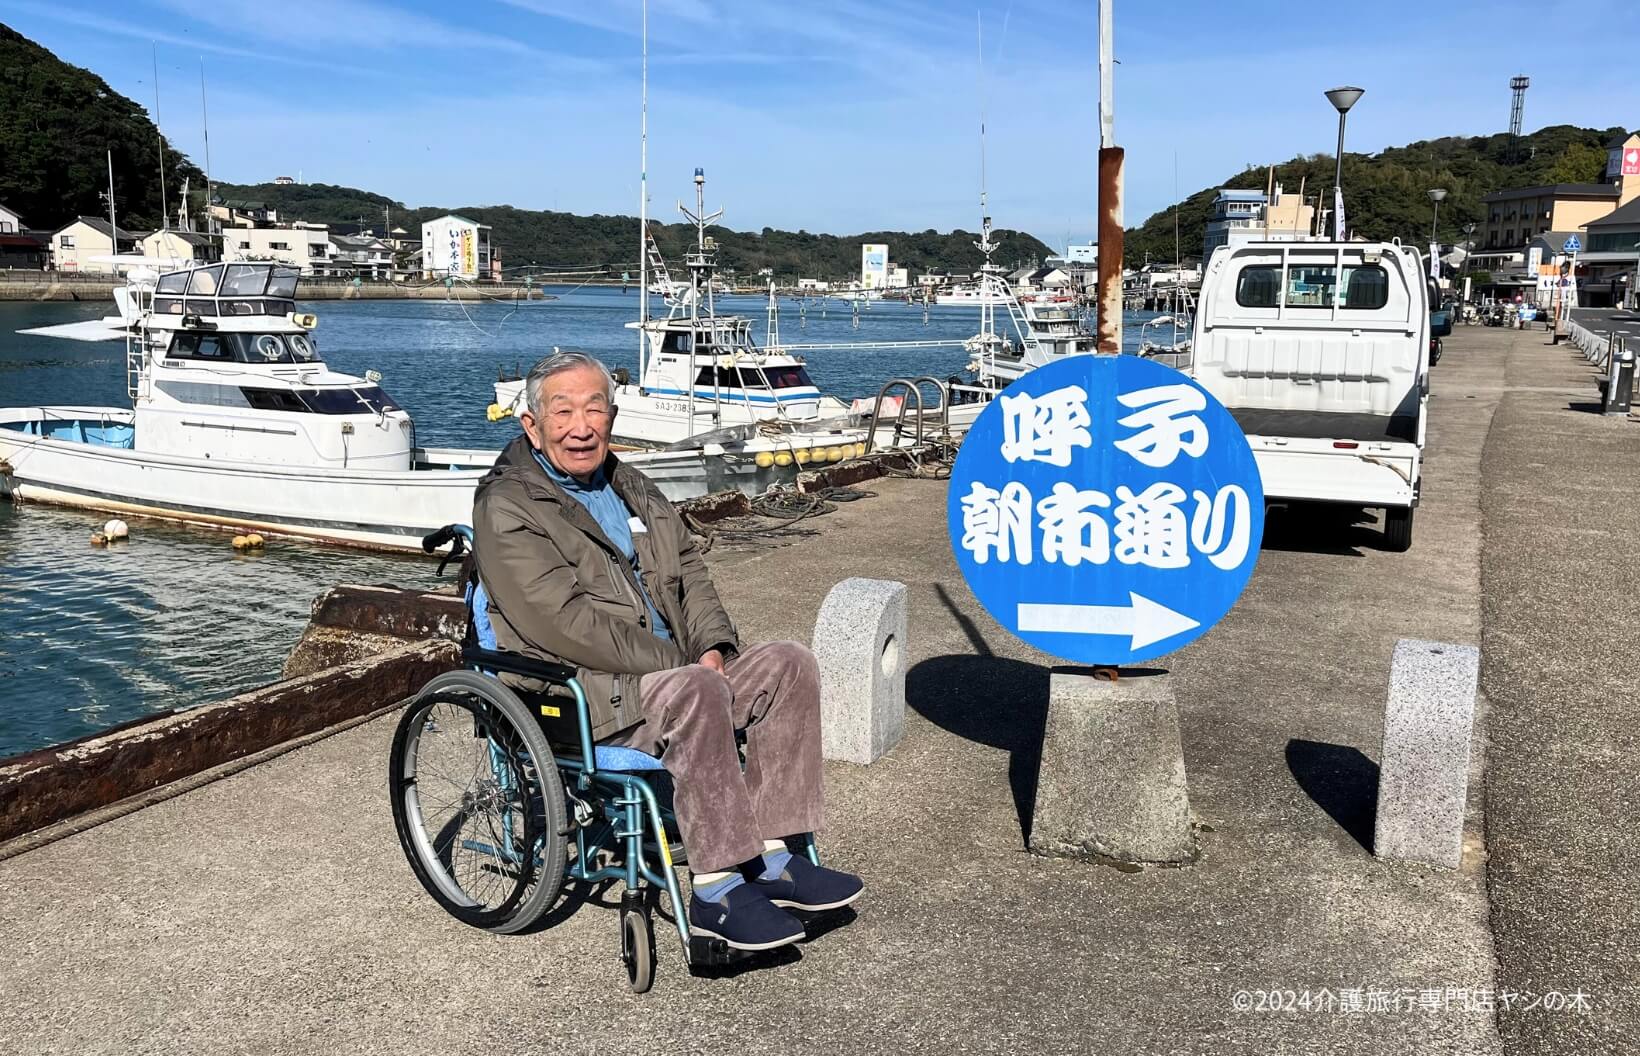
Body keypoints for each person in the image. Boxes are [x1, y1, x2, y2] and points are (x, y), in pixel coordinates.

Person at [472, 350, 863, 954]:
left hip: (672, 675)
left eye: (594, 408)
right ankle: (715, 889)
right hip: (578, 691)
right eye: (563, 411)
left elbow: (689, 569)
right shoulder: (508, 505)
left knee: (789, 662)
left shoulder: (629, 484)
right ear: (532, 424)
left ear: (613, 414)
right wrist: (678, 666)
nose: (582, 426)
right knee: (699, 690)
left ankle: (777, 856)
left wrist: (710, 644)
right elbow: (562, 621)